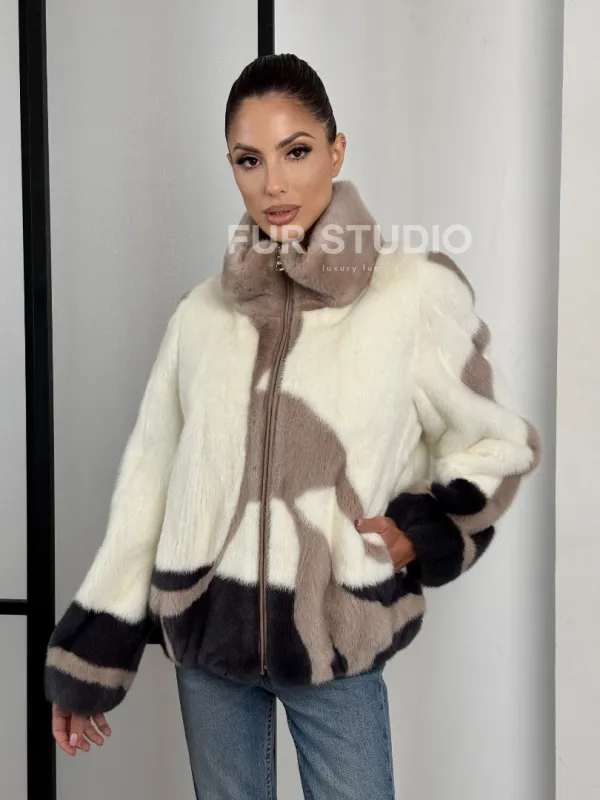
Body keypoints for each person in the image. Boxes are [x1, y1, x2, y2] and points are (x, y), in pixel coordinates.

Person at [44, 53, 541, 799]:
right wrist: (93, 658)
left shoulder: (412, 292)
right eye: (249, 160)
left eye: (296, 151)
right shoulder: (200, 317)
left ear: (336, 152)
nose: (273, 183)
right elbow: (148, 491)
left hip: (334, 640)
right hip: (208, 647)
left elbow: (498, 440)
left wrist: (426, 527)